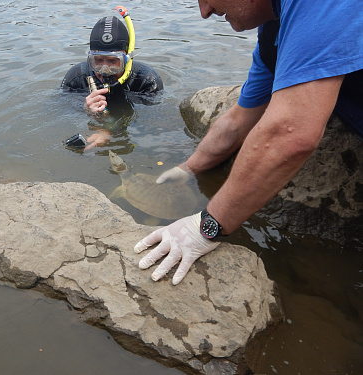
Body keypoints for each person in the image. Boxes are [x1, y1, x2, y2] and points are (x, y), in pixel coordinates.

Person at [134, 0, 363, 285]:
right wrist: (188, 168)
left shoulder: (320, 5)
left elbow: (290, 133)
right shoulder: (275, 34)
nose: (204, 12)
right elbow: (238, 120)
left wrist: (208, 226)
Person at [61, 14, 163, 150]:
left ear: (126, 59)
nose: (105, 70)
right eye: (98, 60)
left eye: (113, 61)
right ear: (90, 58)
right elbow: (59, 108)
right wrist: (84, 109)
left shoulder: (146, 81)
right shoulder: (76, 77)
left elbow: (149, 123)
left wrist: (110, 131)